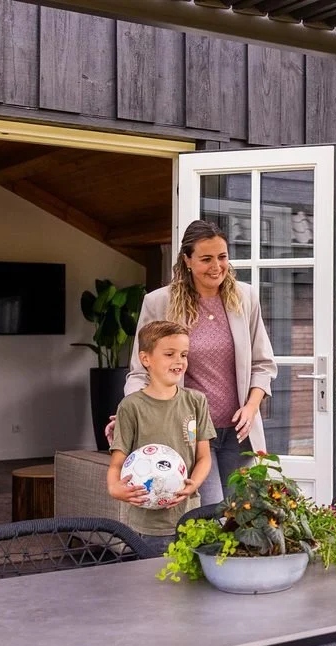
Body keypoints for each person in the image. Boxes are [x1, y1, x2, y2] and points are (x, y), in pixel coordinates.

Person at [117, 220, 276, 505]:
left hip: (239, 434)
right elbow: (141, 371)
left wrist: (251, 408)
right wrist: (130, 414)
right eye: (206, 259)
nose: (216, 266)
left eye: (222, 257)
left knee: (243, 515)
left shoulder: (246, 297)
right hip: (193, 434)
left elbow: (263, 364)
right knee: (212, 512)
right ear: (187, 260)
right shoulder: (159, 302)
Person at [107, 320, 214, 552]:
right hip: (149, 526)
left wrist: (192, 484)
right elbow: (117, 462)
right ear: (146, 359)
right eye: (169, 354)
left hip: (190, 517)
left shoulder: (196, 402)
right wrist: (115, 488)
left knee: (191, 584)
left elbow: (204, 457)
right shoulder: (131, 406)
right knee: (154, 585)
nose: (179, 361)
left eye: (184, 354)